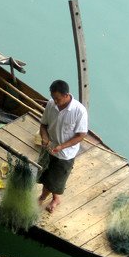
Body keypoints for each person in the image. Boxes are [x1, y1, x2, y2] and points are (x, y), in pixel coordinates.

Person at [38, 79, 88, 213]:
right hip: (48, 147)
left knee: (57, 180)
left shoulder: (79, 111)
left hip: (65, 153)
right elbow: (44, 125)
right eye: (53, 98)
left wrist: (62, 146)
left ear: (66, 95)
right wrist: (44, 137)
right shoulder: (51, 104)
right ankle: (44, 195)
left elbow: (81, 135)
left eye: (57, 99)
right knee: (45, 174)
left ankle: (55, 199)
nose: (55, 101)